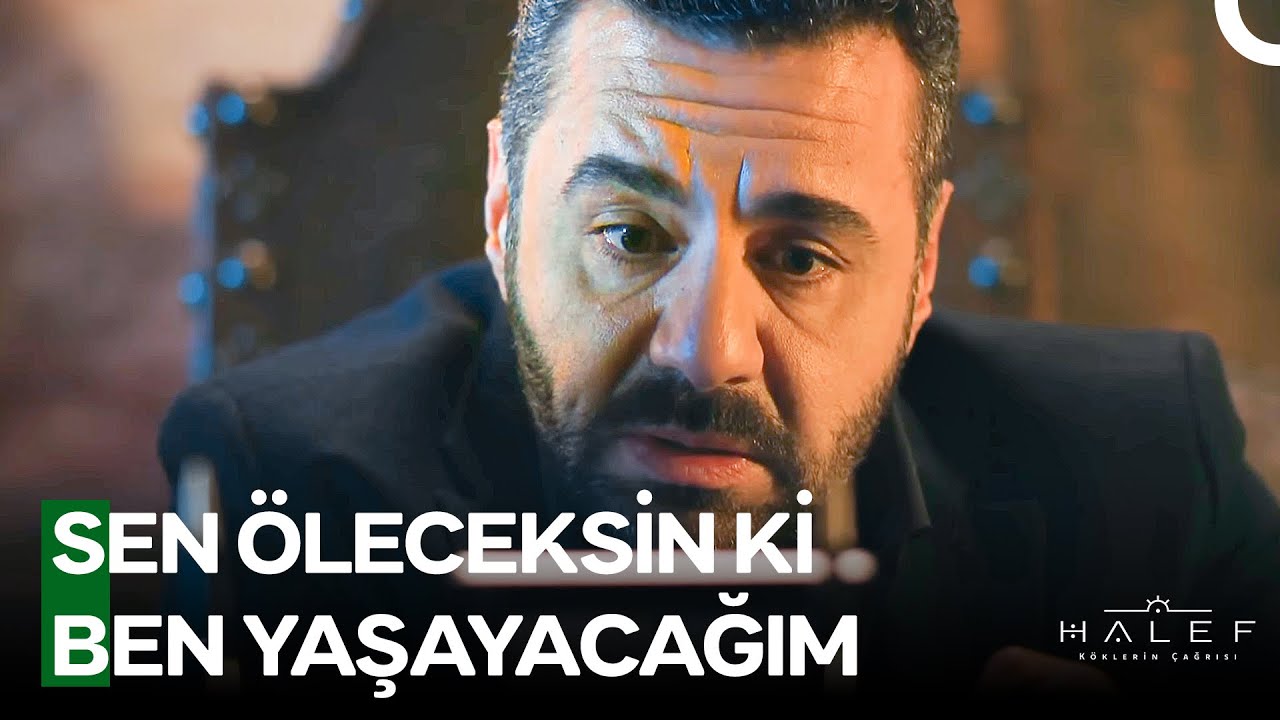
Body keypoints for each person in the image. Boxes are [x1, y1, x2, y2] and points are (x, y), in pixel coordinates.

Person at [157, 0, 1279, 695]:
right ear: (504, 207)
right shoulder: (271, 475)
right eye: (630, 237)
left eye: (798, 258)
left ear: (923, 264)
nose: (706, 353)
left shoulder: (1143, 464)